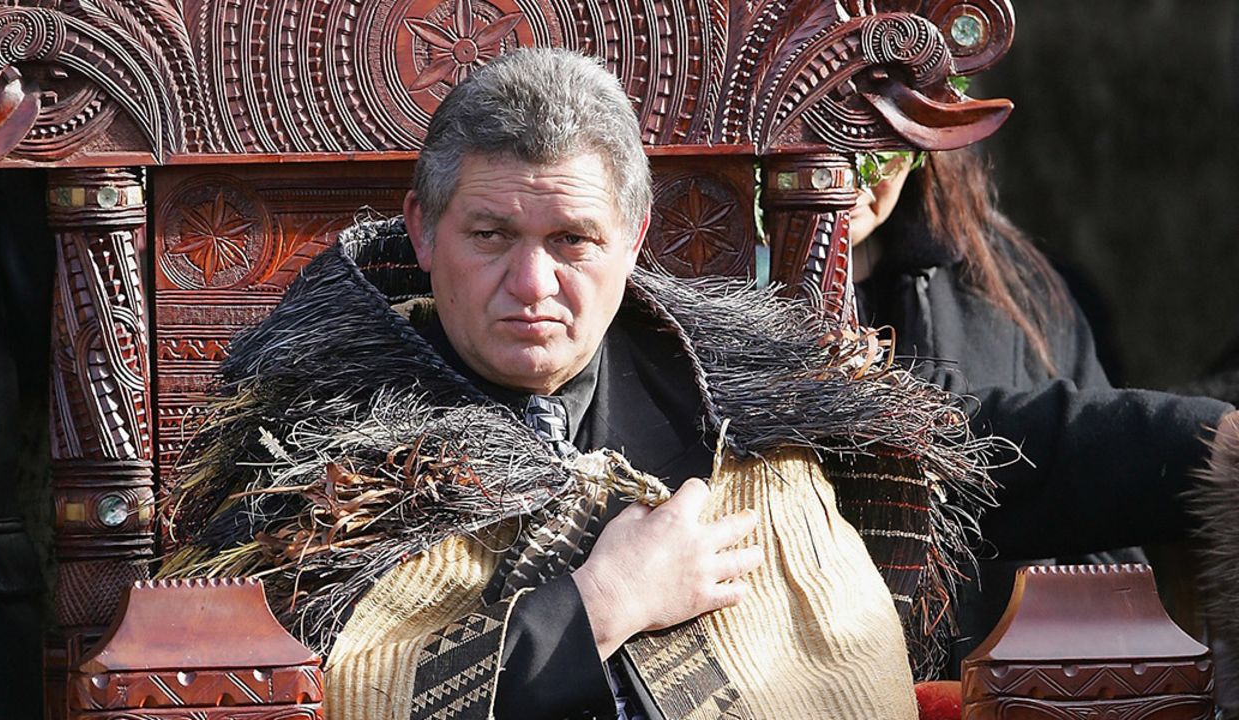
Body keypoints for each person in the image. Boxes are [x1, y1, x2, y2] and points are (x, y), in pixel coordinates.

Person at [162, 49, 1007, 720]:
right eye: (491, 234)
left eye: (572, 240)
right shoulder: (311, 448)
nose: (531, 284)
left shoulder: (748, 414)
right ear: (422, 232)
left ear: (634, 238)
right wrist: (604, 602)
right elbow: (310, 696)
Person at [845, 147, 1239, 684]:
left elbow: (1107, 566)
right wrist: (1188, 442)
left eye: (874, 138)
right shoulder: (709, 301)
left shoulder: (1011, 287)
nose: (852, 170)